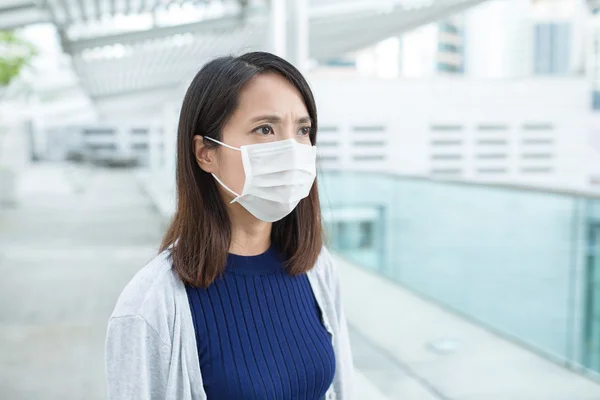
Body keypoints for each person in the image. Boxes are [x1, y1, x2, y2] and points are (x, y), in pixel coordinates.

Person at [105, 51, 354, 400]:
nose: (292, 149)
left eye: (303, 129)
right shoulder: (149, 305)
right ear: (206, 152)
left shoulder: (316, 269)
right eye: (265, 129)